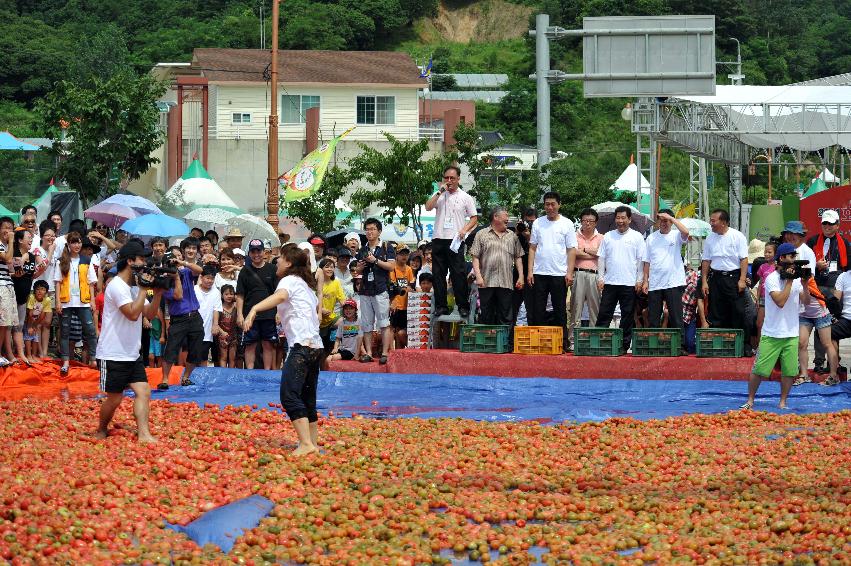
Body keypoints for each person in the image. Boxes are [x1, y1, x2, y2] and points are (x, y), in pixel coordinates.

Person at [242, 244, 324, 456]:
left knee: (288, 396)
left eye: (279, 259)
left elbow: (279, 297)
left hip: (302, 346)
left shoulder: (288, 280)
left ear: (288, 262)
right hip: (315, 346)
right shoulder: (306, 286)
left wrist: (254, 309)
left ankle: (306, 444)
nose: (276, 261)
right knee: (307, 397)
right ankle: (312, 444)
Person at [94, 240, 167, 443]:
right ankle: (101, 429)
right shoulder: (117, 285)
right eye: (141, 259)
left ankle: (144, 434)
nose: (145, 263)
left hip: (132, 353)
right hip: (113, 353)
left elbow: (149, 314)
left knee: (143, 391)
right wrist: (144, 288)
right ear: (130, 261)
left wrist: (158, 294)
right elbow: (133, 315)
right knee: (115, 398)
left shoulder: (134, 288)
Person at [742, 243, 811, 409]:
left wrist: (805, 284)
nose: (795, 260)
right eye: (792, 257)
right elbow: (780, 302)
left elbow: (806, 302)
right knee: (759, 370)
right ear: (782, 258)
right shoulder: (772, 278)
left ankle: (783, 402)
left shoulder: (794, 279)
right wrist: (789, 282)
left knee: (789, 372)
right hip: (771, 333)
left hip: (791, 333)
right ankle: (750, 400)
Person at [425, 165, 478, 318]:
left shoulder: (465, 197)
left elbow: (474, 218)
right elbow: (428, 207)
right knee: (438, 274)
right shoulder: (439, 194)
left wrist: (464, 230)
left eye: (452, 178)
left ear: (458, 179)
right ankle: (441, 306)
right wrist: (439, 191)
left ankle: (462, 305)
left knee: (458, 274)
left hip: (455, 239)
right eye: (446, 178)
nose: (449, 181)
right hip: (438, 238)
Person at [527, 192, 577, 350]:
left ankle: (561, 343)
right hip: (539, 272)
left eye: (552, 204)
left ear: (559, 204)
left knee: (560, 309)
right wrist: (530, 272)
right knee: (538, 309)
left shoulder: (567, 223)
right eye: (547, 204)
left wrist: (569, 272)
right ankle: (540, 342)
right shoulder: (538, 223)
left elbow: (571, 250)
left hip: (559, 273)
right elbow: (532, 248)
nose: (549, 207)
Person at [596, 206, 647, 352]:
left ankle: (624, 345)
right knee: (604, 313)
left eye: (623, 218)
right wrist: (600, 278)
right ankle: (601, 342)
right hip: (610, 282)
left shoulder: (637, 237)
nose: (620, 221)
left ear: (629, 219)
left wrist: (639, 280)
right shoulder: (608, 236)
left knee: (627, 316)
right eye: (618, 218)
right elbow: (601, 258)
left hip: (629, 283)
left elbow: (640, 261)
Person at [701, 209, 752, 356]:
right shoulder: (710, 238)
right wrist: (704, 281)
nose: (711, 223)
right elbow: (706, 261)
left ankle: (743, 345)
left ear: (723, 222)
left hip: (733, 277)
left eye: (714, 220)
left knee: (738, 311)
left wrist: (742, 279)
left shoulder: (737, 236)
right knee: (716, 312)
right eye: (711, 220)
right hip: (716, 278)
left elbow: (744, 259)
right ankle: (720, 346)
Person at [157, 239, 205, 390]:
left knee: (196, 350)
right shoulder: (164, 282)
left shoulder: (185, 271)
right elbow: (178, 295)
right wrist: (176, 277)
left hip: (194, 316)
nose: (173, 267)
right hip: (178, 319)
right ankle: (165, 379)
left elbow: (200, 271)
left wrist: (182, 264)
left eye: (174, 263)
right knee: (171, 349)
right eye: (170, 264)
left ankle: (186, 378)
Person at [807, 209, 850, 374]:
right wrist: (816, 266)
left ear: (838, 225)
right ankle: (818, 362)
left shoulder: (845, 244)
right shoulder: (812, 242)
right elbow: (805, 264)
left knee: (834, 325)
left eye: (831, 223)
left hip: (836, 291)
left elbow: (848, 270)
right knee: (820, 324)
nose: (827, 226)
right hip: (816, 288)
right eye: (824, 223)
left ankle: (834, 363)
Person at [470, 207, 524, 326]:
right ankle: (489, 344)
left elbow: (518, 257)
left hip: (506, 282)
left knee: (506, 316)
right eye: (506, 215)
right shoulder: (481, 234)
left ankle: (504, 344)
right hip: (486, 282)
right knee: (486, 316)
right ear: (496, 217)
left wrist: (521, 276)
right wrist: (478, 276)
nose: (508, 219)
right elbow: (475, 257)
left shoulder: (512, 236)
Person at [54, 231, 98, 374]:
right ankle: (65, 361)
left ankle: (93, 359)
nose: (77, 245)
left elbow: (91, 282)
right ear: (68, 244)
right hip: (66, 301)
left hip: (83, 301)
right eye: (73, 242)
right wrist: (57, 302)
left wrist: (92, 300)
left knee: (90, 330)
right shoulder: (61, 261)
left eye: (79, 242)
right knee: (65, 332)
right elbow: (57, 283)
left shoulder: (86, 260)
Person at [643, 210, 690, 343]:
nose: (663, 223)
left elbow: (686, 232)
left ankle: (680, 345)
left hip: (673, 282)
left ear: (671, 221)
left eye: (666, 220)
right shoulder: (651, 238)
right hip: (655, 283)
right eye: (661, 220)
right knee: (654, 317)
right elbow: (647, 261)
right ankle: (653, 344)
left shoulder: (676, 235)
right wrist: (645, 281)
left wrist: (671, 218)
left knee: (676, 317)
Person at [354, 218, 395, 364]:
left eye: (373, 229)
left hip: (380, 289)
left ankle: (384, 353)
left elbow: (391, 266)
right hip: (365, 290)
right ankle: (369, 353)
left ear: (379, 231)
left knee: (384, 322)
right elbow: (356, 272)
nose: (369, 232)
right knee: (366, 323)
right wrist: (359, 268)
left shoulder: (386, 246)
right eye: (367, 229)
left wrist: (375, 261)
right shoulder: (362, 249)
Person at [236, 239, 279, 370]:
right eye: (253, 251)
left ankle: (267, 373)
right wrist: (239, 315)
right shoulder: (244, 271)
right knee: (250, 345)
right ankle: (249, 372)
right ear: (249, 253)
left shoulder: (273, 269)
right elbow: (240, 295)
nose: (256, 254)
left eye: (258, 251)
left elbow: (278, 293)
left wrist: (279, 312)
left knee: (268, 345)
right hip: (250, 315)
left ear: (264, 252)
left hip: (269, 314)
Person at [570, 208, 603, 346]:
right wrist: (591, 253)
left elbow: (601, 254)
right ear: (581, 221)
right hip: (578, 273)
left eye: (590, 221)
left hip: (594, 275)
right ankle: (573, 340)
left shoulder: (602, 237)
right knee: (575, 307)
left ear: (596, 223)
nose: (587, 223)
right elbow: (572, 252)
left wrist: (582, 250)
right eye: (584, 221)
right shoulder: (574, 236)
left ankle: (594, 339)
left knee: (594, 309)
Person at [12, 229, 42, 365]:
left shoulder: (31, 256)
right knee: (6, 326)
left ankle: (21, 354)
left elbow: (31, 275)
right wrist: (22, 259)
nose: (31, 240)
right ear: (19, 240)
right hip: (11, 295)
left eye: (31, 237)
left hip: (23, 297)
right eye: (28, 237)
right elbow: (14, 272)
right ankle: (6, 353)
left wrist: (42, 268)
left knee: (19, 326)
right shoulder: (13, 252)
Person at [195, 265, 222, 367]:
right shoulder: (194, 289)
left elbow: (216, 309)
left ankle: (201, 381)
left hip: (206, 332)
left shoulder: (216, 292)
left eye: (212, 278)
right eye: (208, 278)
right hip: (193, 330)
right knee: (192, 356)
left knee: (203, 357)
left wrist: (215, 325)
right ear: (201, 278)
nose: (210, 281)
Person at [389, 243, 416, 348]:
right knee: (393, 329)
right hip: (395, 305)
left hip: (406, 306)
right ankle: (393, 352)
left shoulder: (409, 269)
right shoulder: (392, 268)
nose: (404, 256)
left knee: (401, 331)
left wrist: (410, 289)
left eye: (406, 254)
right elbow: (392, 287)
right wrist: (392, 302)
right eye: (401, 254)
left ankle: (401, 352)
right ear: (396, 255)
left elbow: (411, 285)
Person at [827, 267, 851, 387]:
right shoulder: (843, 276)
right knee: (827, 333)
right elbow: (835, 300)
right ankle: (833, 373)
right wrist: (833, 316)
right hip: (846, 319)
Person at [318, 257, 345, 352]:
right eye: (327, 267)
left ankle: (339, 345)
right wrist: (320, 310)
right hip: (317, 319)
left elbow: (342, 300)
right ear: (321, 269)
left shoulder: (336, 282)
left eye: (332, 267)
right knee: (321, 350)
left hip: (330, 317)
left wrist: (350, 309)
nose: (330, 269)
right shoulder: (315, 283)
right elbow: (310, 301)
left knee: (343, 321)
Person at [25, 280, 51, 360]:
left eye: (43, 289)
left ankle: (34, 355)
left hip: (36, 320)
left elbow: (43, 315)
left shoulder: (47, 300)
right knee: (28, 337)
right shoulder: (31, 297)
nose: (40, 291)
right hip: (27, 320)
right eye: (38, 289)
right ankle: (29, 355)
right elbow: (30, 313)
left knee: (35, 337)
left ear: (46, 292)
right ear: (34, 291)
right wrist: (30, 326)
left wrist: (35, 325)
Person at [213, 284, 238, 367]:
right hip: (222, 336)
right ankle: (223, 375)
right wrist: (222, 332)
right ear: (222, 295)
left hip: (234, 336)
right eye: (226, 294)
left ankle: (231, 376)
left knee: (232, 358)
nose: (229, 296)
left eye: (231, 294)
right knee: (223, 357)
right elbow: (215, 322)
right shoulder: (219, 307)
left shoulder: (236, 306)